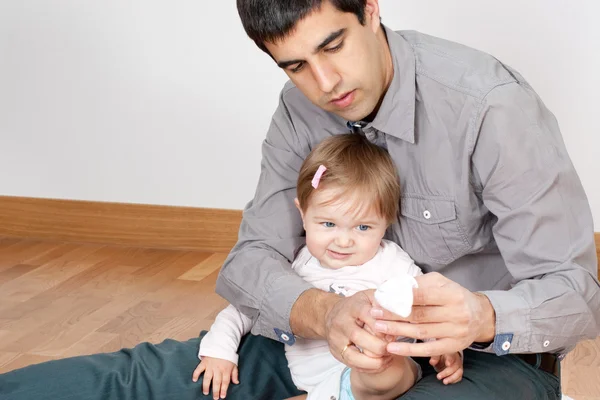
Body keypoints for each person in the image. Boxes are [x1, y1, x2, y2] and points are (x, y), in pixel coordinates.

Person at [1, 0, 598, 399]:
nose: (325, 85)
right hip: (319, 346)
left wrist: (482, 318)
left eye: (333, 46)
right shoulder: (301, 110)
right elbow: (250, 261)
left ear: (370, 9)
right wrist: (325, 314)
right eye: (295, 66)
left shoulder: (490, 107)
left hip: (475, 361)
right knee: (130, 382)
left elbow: (578, 294)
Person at [193, 134, 463, 400]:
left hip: (383, 379)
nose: (344, 241)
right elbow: (240, 311)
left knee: (382, 361)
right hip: (319, 384)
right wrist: (219, 352)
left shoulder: (393, 262)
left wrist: (446, 350)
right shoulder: (296, 269)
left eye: (363, 227)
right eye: (329, 224)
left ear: (386, 223)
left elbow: (428, 311)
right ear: (303, 214)